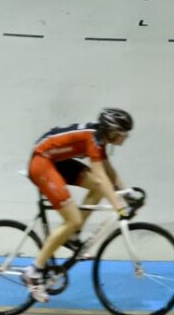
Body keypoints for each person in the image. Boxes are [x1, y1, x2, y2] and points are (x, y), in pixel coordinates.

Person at [22, 108, 139, 303]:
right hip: (42, 162)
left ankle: (73, 236)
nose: (125, 138)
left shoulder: (99, 139)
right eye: (123, 134)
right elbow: (103, 178)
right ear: (111, 131)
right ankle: (33, 271)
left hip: (56, 160)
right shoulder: (93, 140)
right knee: (72, 219)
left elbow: (108, 171)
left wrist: (127, 194)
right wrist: (119, 206)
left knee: (98, 188)